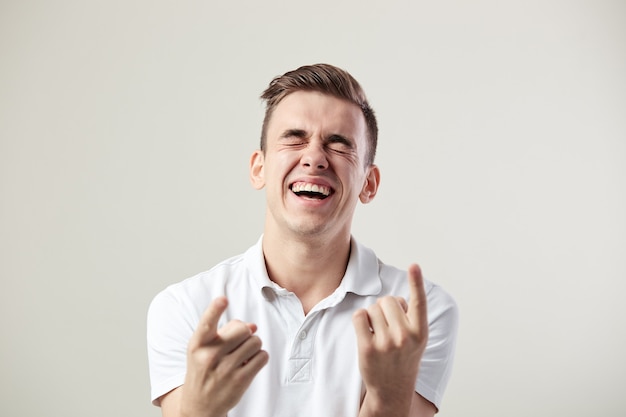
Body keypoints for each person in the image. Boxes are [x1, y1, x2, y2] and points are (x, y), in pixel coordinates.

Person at [147, 63, 459, 417]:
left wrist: (389, 398)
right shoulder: (184, 307)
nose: (314, 158)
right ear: (258, 168)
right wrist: (200, 410)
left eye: (338, 144)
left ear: (368, 184)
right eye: (294, 138)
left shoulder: (421, 314)